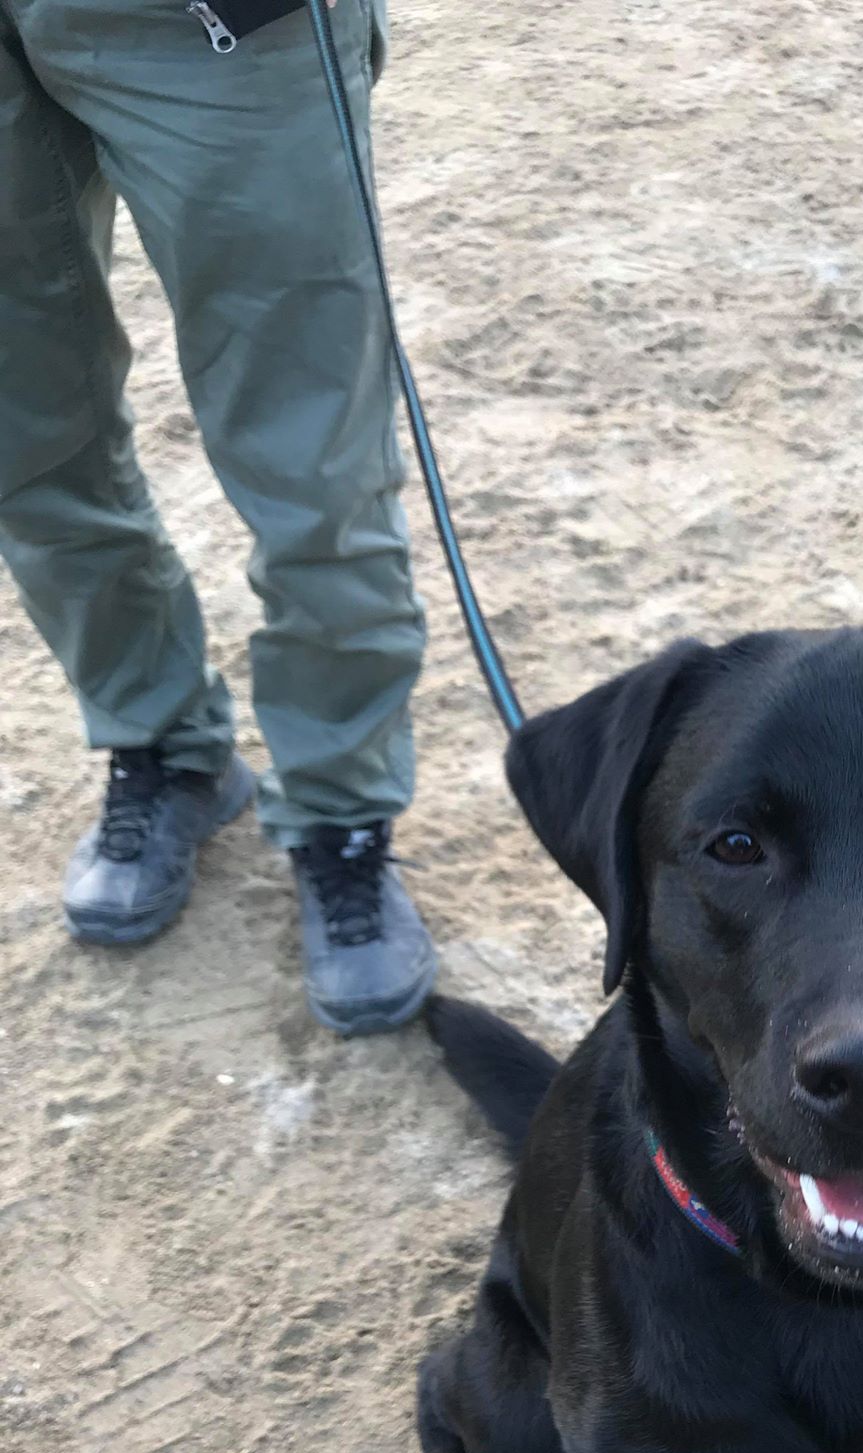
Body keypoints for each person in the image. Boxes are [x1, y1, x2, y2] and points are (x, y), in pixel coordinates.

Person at [0, 0, 435, 1035]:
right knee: (24, 440)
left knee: (314, 473)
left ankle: (342, 813)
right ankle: (162, 738)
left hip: (211, 30)